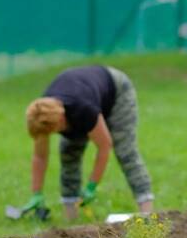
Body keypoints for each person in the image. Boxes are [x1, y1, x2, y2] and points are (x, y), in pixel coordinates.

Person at [22, 65, 153, 219]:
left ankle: (147, 212)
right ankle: (70, 217)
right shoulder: (42, 115)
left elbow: (104, 146)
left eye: (55, 130)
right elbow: (40, 157)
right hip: (86, 94)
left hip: (116, 92)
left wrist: (92, 185)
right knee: (69, 153)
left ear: (61, 120)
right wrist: (36, 193)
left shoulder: (83, 109)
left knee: (125, 152)